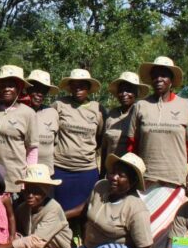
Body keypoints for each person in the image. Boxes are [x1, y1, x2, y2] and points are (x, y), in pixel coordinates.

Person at [54, 153, 152, 248]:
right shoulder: (100, 187)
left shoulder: (136, 208)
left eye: (121, 175)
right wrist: (60, 217)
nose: (114, 177)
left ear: (132, 182)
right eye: (113, 172)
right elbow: (86, 208)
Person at [126, 56, 188, 248]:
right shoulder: (141, 106)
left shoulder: (184, 106)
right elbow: (132, 143)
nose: (159, 79)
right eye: (155, 75)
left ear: (172, 81)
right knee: (143, 229)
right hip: (145, 180)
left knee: (168, 231)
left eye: (164, 76)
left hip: (173, 179)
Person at [0, 164, 73, 248]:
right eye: (27, 190)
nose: (30, 195)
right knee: (20, 245)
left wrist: (1, 247)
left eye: (36, 191)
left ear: (46, 190)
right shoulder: (23, 209)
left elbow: (36, 241)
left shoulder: (54, 209)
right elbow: (19, 234)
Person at [52, 68, 104, 214]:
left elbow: (99, 137)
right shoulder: (60, 105)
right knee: (58, 209)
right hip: (60, 168)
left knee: (86, 210)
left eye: (82, 85)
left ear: (88, 88)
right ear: (70, 87)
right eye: (75, 85)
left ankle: (81, 237)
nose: (78, 88)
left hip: (86, 170)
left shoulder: (98, 109)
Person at [0, 64, 39, 187]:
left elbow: (32, 148)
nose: (6, 89)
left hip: (14, 177)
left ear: (19, 88)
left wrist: (29, 179)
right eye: (3, 85)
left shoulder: (28, 113)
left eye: (11, 86)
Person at [102, 71, 148, 164]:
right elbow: (105, 147)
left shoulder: (142, 114)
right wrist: (103, 172)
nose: (124, 94)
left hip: (132, 170)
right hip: (112, 169)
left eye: (129, 90)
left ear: (136, 93)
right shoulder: (111, 115)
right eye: (121, 90)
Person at [25, 70, 59, 173]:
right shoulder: (18, 111)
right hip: (20, 172)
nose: (39, 94)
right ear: (27, 89)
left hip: (45, 174)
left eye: (44, 90)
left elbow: (56, 144)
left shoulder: (52, 113)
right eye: (36, 89)